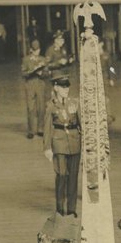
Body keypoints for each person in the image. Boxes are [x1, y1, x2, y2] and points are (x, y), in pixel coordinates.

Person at [43, 76, 81, 216]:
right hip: (59, 142)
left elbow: (81, 123)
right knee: (62, 175)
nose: (66, 90)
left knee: (73, 177)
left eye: (67, 87)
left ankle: (71, 209)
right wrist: (47, 147)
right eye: (63, 87)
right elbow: (47, 127)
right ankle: (60, 208)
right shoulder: (51, 105)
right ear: (56, 88)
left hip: (75, 142)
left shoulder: (74, 103)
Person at [21, 39, 49, 138]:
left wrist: (42, 73)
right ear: (31, 50)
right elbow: (23, 73)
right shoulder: (26, 59)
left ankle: (40, 128)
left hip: (40, 84)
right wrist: (31, 72)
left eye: (38, 50)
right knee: (30, 108)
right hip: (30, 85)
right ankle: (31, 130)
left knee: (41, 108)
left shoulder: (43, 59)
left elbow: (47, 73)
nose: (37, 52)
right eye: (34, 50)